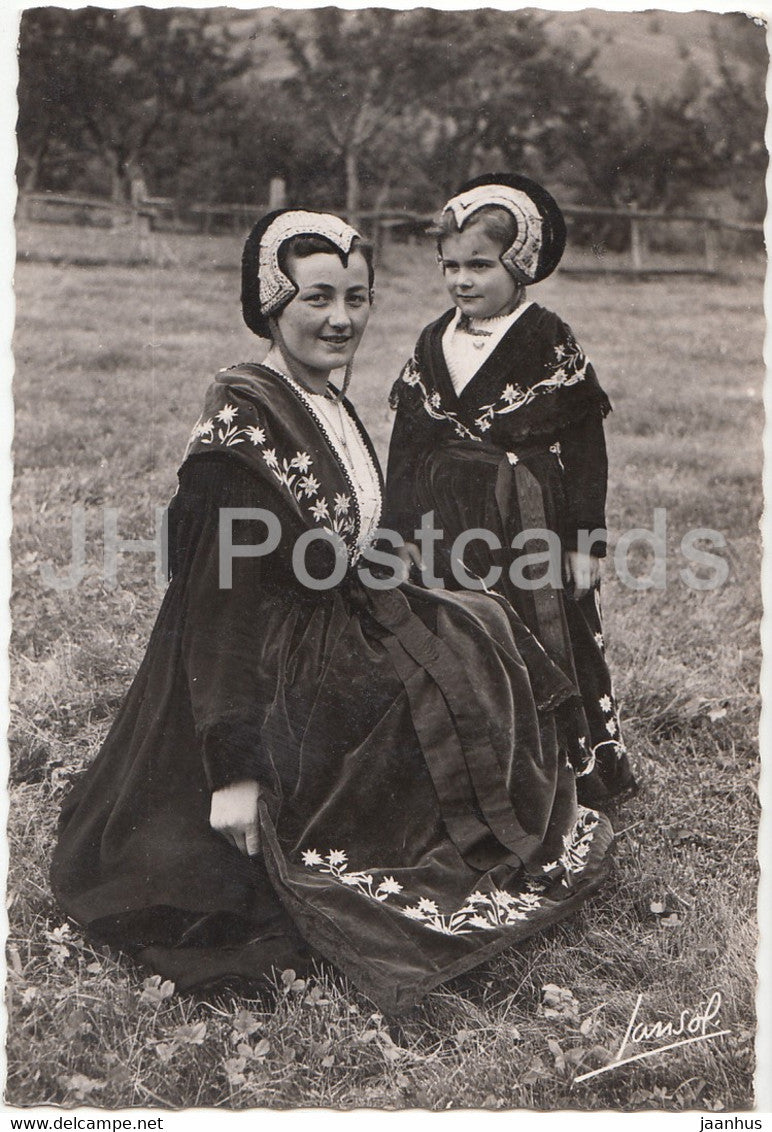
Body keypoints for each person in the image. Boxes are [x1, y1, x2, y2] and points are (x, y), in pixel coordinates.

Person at [51, 209, 614, 1016]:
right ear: (272, 305)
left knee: (479, 627)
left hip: (332, 617)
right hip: (269, 667)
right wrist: (234, 775)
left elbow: (361, 539)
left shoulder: (326, 401)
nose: (342, 319)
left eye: (357, 296)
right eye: (317, 298)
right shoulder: (246, 423)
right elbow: (221, 610)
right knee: (417, 689)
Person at [384, 174, 636, 804]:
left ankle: (564, 763)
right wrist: (396, 528)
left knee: (542, 631)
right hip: (448, 526)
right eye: (450, 266)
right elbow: (408, 441)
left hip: (527, 523)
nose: (461, 281)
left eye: (479, 265)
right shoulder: (432, 339)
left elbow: (584, 449)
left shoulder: (546, 336)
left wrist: (585, 544)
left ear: (519, 264)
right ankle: (470, 757)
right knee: (458, 629)